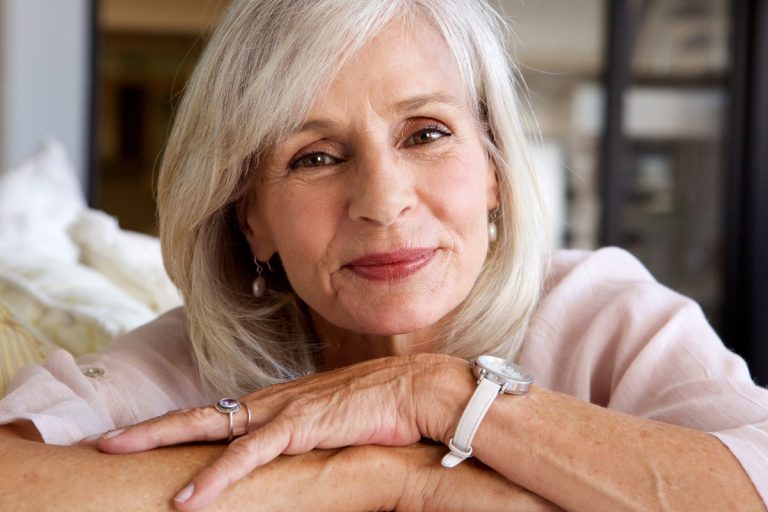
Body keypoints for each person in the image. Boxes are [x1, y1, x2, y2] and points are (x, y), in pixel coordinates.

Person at [1, 0, 767, 510]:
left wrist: (432, 396)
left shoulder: (600, 310)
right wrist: (374, 474)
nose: (382, 200)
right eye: (314, 156)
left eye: (426, 134)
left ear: (495, 171)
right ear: (251, 219)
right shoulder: (190, 363)